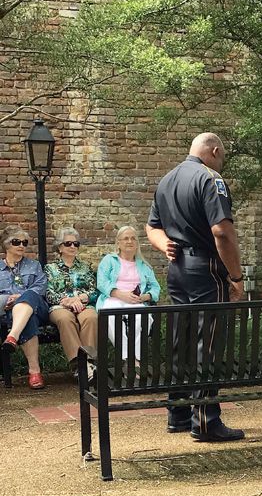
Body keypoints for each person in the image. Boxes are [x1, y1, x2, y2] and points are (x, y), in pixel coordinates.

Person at [146, 131, 245, 442]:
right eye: (222, 158)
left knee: (182, 340)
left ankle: (178, 413)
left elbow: (152, 226)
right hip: (206, 269)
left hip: (177, 271)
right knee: (208, 343)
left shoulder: (167, 180)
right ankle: (204, 421)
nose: (222, 164)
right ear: (214, 150)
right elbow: (222, 233)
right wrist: (237, 277)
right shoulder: (210, 179)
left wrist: (164, 245)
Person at [96, 226, 161, 360]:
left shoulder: (144, 265)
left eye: (133, 238)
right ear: (118, 243)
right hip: (112, 299)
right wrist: (120, 294)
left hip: (135, 301)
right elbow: (101, 282)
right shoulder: (109, 260)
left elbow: (155, 287)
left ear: (137, 244)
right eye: (126, 238)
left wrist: (146, 296)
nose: (129, 241)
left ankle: (136, 359)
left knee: (143, 319)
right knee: (112, 318)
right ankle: (127, 359)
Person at [45, 227, 98, 380]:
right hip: (60, 306)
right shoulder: (50, 268)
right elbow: (48, 293)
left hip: (83, 304)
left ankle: (89, 362)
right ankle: (78, 365)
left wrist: (81, 298)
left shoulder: (85, 267)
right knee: (65, 319)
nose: (73, 247)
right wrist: (66, 301)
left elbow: (94, 290)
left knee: (91, 317)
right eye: (68, 244)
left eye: (76, 244)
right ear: (60, 247)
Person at [0, 225, 49, 389]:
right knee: (28, 318)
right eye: (16, 242)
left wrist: (20, 297)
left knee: (29, 297)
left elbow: (41, 288)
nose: (21, 245)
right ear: (6, 244)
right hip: (10, 312)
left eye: (24, 242)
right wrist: (7, 299)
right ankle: (34, 372)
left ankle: (12, 336)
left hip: (38, 308)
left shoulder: (34, 265)